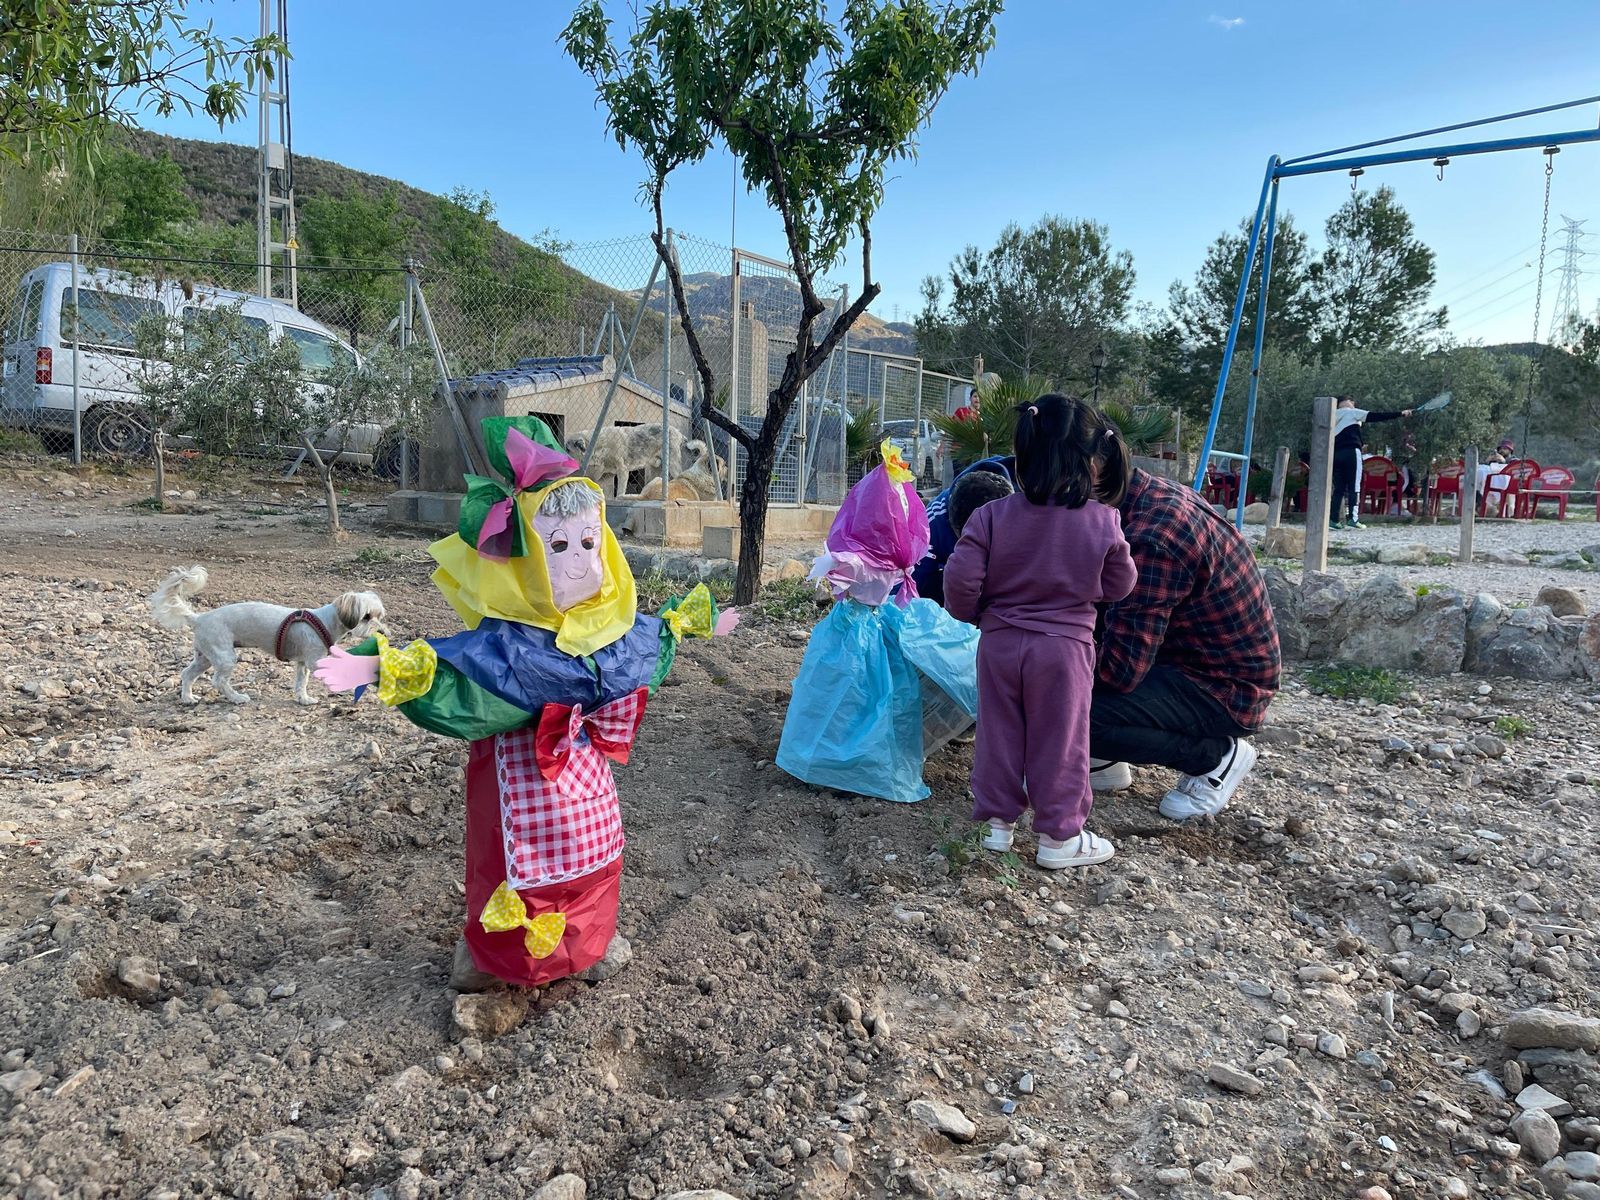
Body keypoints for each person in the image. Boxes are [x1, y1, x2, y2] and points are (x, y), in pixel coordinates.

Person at [315, 416, 729, 991]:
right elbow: (454, 677)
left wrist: (694, 623)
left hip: (584, 778)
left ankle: (588, 943)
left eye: (590, 542)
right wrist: (375, 664)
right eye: (558, 546)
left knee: (592, 855)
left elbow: (650, 644)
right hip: (519, 777)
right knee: (513, 863)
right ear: (525, 558)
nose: (582, 561)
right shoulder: (505, 649)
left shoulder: (613, 632)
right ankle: (493, 957)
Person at [944, 395, 1137, 869]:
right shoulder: (1103, 519)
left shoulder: (990, 515)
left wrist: (976, 615)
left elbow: (959, 580)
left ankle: (997, 825)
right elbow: (1121, 583)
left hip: (1000, 644)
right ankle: (1058, 837)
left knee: (999, 732)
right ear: (1093, 463)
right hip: (1065, 650)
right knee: (1062, 741)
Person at [1091, 461, 1281, 821]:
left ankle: (1215, 758)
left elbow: (1119, 671)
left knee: (1067, 713)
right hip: (1188, 658)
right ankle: (1103, 760)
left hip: (1225, 690)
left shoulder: (1154, 537)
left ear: (1089, 468)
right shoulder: (1142, 497)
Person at [913, 455, 1016, 606]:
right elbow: (909, 587)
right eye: (968, 542)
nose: (978, 551)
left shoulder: (1030, 506)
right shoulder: (931, 526)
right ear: (952, 522)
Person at [1331, 395, 1412, 530]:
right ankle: (1353, 519)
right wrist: (1400, 413)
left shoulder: (1331, 415)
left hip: (1336, 454)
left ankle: (1333, 520)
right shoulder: (1352, 412)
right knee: (1354, 486)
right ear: (1347, 402)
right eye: (1352, 401)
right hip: (1352, 452)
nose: (1353, 404)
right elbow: (1376, 416)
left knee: (1338, 487)